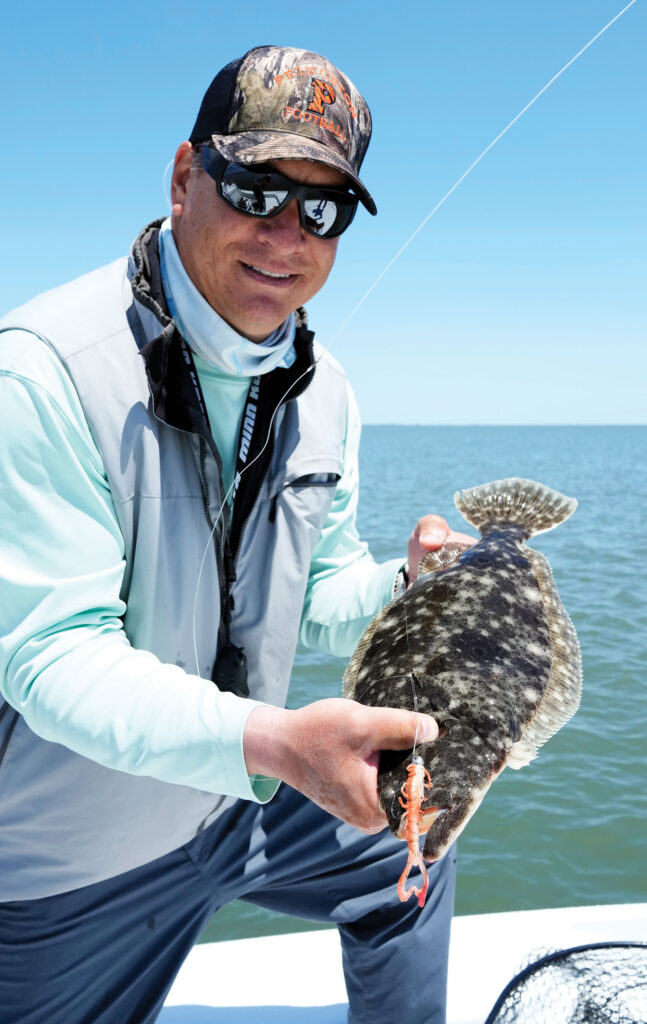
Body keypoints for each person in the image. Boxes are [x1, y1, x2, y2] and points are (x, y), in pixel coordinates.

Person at [0, 46, 470, 1024]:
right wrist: (278, 743)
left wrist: (407, 586)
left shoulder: (324, 389)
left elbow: (316, 591)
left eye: (320, 211)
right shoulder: (44, 370)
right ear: (184, 177)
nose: (284, 237)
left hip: (235, 807)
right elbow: (49, 655)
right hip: (63, 868)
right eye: (256, 189)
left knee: (411, 834)